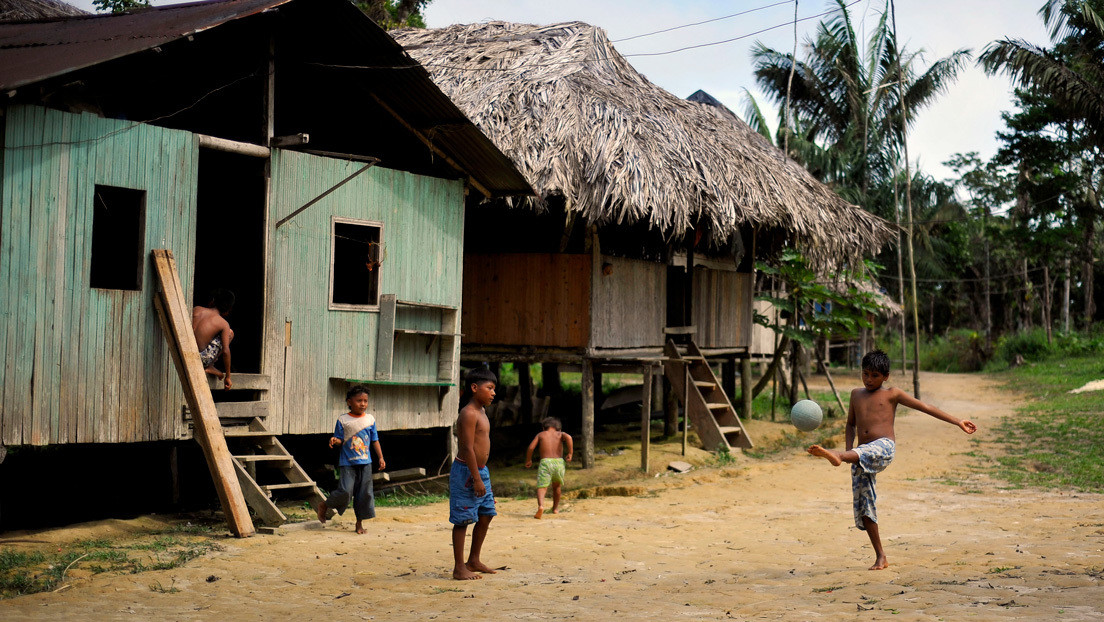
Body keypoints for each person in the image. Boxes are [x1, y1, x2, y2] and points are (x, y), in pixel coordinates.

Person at [807, 349, 977, 570]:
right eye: (865, 374)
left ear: (885, 376)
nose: (869, 380)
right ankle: (881, 556)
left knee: (860, 453)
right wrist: (850, 452)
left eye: (875, 375)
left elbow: (925, 407)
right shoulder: (855, 394)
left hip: (883, 448)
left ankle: (837, 456)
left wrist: (957, 421)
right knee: (864, 505)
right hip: (859, 454)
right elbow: (850, 424)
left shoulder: (892, 394)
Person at [450, 368, 499, 580]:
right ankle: (459, 567)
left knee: (487, 513)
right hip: (466, 473)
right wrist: (476, 479)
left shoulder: (482, 412)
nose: (493, 393)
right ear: (474, 388)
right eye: (489, 388)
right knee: (462, 519)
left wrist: (481, 475)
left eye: (493, 389)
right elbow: (467, 448)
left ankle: (474, 560)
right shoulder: (468, 413)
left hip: (481, 471)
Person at [316, 385, 386, 534]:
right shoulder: (343, 420)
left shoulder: (370, 419)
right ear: (349, 402)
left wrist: (380, 457)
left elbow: (375, 440)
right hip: (347, 463)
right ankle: (325, 505)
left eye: (365, 401)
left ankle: (359, 524)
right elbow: (341, 440)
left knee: (364, 494)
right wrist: (335, 440)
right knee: (346, 491)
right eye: (359, 400)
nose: (363, 404)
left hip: (366, 463)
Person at [525, 417, 573, 519]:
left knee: (542, 487)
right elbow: (569, 437)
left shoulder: (541, 434)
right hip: (559, 463)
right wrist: (570, 453)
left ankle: (541, 506)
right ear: (558, 428)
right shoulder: (560, 434)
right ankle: (555, 508)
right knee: (557, 486)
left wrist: (529, 460)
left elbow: (531, 447)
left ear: (544, 428)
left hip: (545, 462)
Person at [192, 289, 235, 389]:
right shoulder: (223, 323)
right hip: (200, 359)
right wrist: (228, 376)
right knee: (230, 333)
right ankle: (209, 366)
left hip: (184, 349)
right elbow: (225, 351)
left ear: (213, 301)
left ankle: (209, 365)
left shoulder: (197, 309)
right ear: (228, 310)